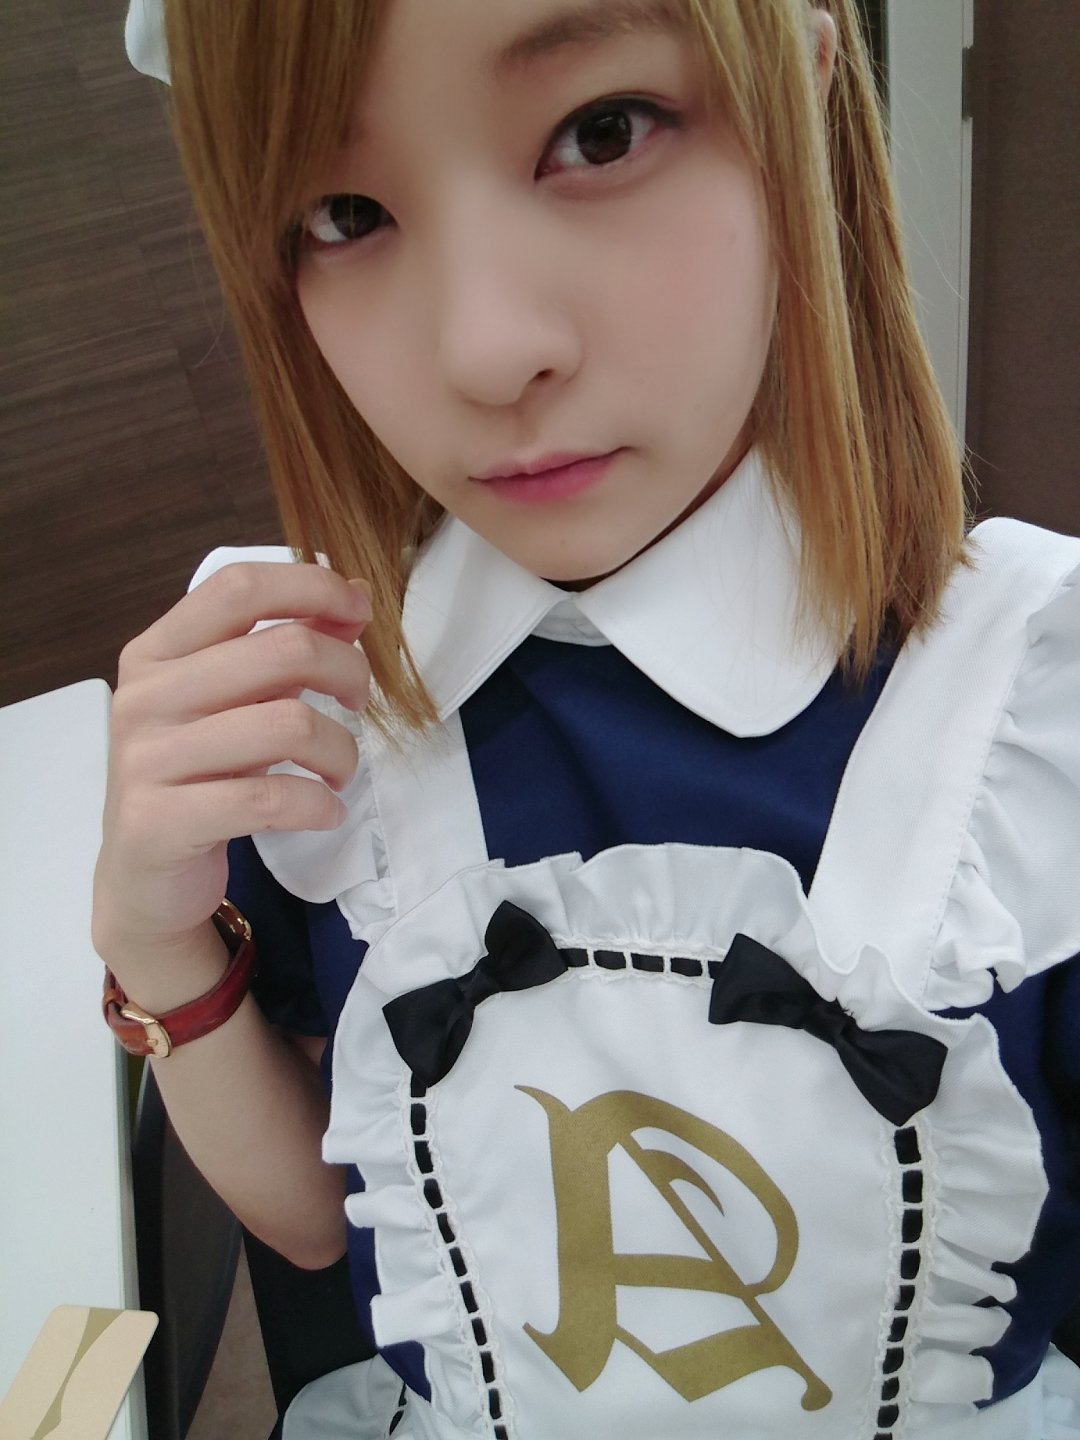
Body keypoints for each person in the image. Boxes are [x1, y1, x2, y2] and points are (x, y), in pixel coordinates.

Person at [98, 1, 1080, 1436]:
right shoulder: (316, 696)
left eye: (602, 133)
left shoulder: (1038, 705)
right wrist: (154, 937)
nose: (488, 351)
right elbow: (318, 1221)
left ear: (805, 101)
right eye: (344, 213)